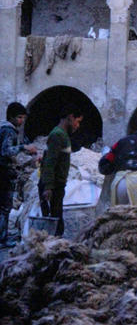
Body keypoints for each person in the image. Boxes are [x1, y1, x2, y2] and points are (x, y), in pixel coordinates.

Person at [38, 105, 83, 237]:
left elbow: (50, 158)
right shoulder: (58, 135)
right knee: (54, 224)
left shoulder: (62, 135)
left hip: (56, 185)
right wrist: (48, 187)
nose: (77, 125)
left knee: (56, 222)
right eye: (77, 121)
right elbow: (50, 163)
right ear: (70, 117)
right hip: (53, 187)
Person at [0, 103, 37, 247]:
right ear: (11, 117)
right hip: (3, 172)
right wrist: (24, 148)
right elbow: (6, 151)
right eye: (19, 118)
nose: (21, 121)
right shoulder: (9, 130)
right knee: (4, 207)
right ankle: (2, 239)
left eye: (23, 118)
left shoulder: (3, 128)